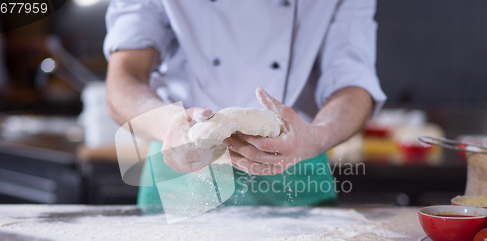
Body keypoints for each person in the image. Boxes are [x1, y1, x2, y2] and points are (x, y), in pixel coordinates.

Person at [104, 0, 386, 208]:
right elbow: (122, 81)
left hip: (295, 160)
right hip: (181, 160)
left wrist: (320, 134)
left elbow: (353, 80)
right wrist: (170, 125)